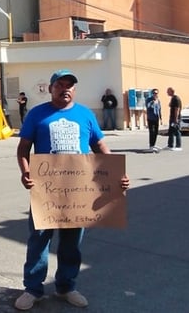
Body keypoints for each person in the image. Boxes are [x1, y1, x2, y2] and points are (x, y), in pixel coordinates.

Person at [13, 70, 130, 310]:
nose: (65, 88)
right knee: (39, 240)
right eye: (60, 84)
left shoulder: (85, 114)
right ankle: (33, 289)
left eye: (70, 85)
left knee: (71, 242)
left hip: (79, 190)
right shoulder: (37, 114)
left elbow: (99, 145)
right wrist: (25, 172)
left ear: (74, 90)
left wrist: (117, 174)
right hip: (47, 190)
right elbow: (23, 148)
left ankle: (66, 287)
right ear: (51, 88)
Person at [165, 87, 182, 151]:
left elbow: (176, 109)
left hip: (175, 118)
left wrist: (176, 119)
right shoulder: (173, 98)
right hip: (172, 118)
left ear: (171, 91)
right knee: (171, 132)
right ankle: (170, 145)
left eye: (168, 91)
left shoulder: (176, 99)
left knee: (177, 131)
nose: (167, 93)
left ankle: (178, 146)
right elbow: (169, 105)